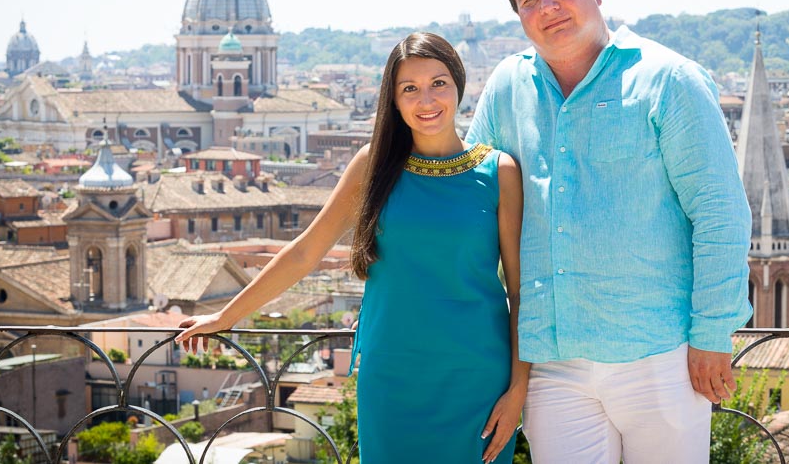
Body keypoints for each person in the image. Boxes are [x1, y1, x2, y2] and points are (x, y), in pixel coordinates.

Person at [177, 33, 527, 464]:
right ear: (394, 101)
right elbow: (307, 252)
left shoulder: (499, 172)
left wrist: (518, 390)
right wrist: (227, 315)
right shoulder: (371, 165)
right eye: (409, 89)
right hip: (392, 375)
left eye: (438, 83)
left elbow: (520, 290)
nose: (427, 99)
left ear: (459, 84)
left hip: (477, 378)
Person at [466, 0, 752, 463]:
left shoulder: (669, 79)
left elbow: (719, 211)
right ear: (519, 17)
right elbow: (470, 196)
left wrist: (713, 332)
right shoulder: (507, 87)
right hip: (552, 362)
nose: (547, 6)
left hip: (660, 354)